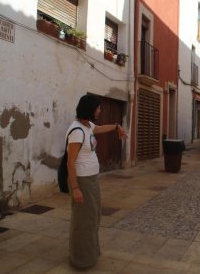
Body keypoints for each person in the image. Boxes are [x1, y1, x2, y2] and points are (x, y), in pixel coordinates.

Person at [66, 94, 127, 268]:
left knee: (92, 217)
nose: (100, 110)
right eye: (98, 108)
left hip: (90, 180)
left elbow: (100, 128)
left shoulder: (87, 126)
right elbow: (71, 163)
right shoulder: (77, 131)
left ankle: (90, 253)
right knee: (83, 220)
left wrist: (117, 127)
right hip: (82, 181)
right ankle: (81, 259)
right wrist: (76, 188)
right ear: (90, 109)